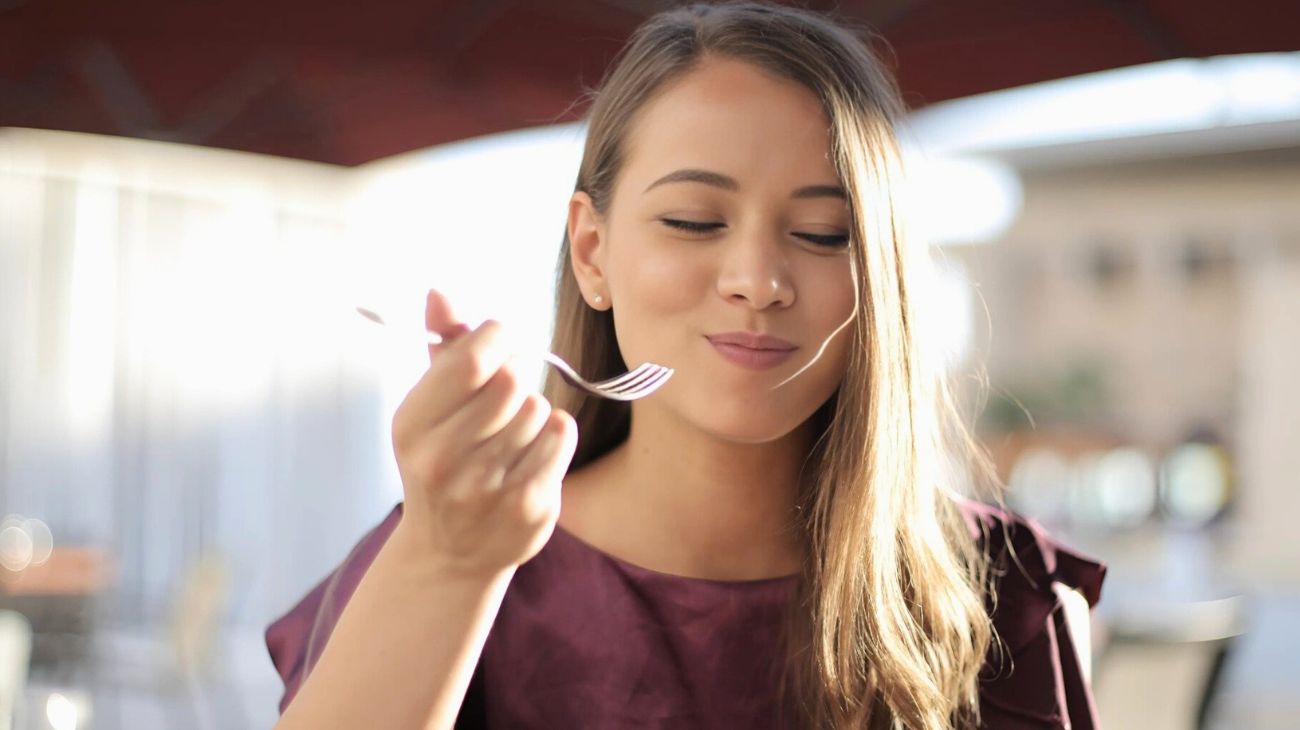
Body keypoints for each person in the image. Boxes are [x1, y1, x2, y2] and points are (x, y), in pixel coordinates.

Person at [265, 2, 1105, 728]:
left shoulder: (993, 589)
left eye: (822, 234)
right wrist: (445, 564)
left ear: (881, 276)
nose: (757, 282)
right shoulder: (456, 547)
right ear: (591, 252)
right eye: (696, 221)